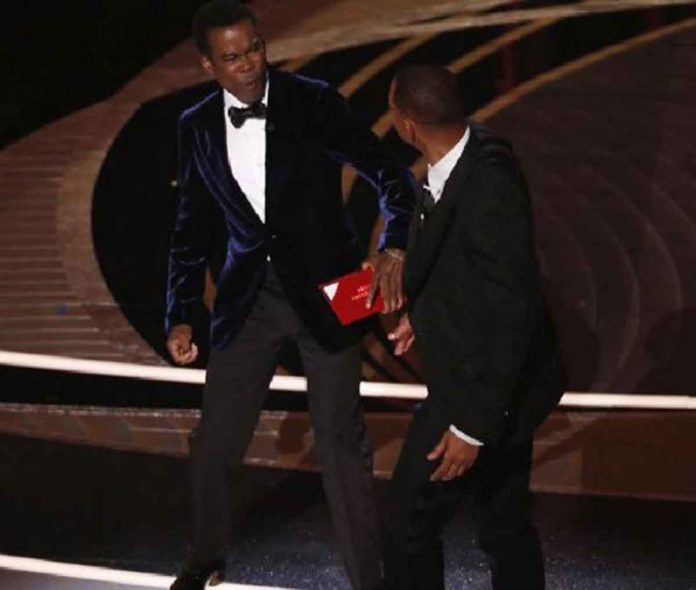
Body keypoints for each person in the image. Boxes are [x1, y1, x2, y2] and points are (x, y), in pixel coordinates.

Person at [165, 2, 415, 589]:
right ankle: (204, 560)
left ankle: (369, 581)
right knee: (216, 444)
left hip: (340, 287)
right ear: (209, 65)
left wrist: (395, 246)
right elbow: (190, 228)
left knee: (342, 444)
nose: (249, 65)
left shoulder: (314, 99)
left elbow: (389, 173)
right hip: (247, 297)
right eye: (232, 57)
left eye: (254, 49)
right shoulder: (196, 125)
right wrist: (180, 314)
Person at [383, 65, 566, 590]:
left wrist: (472, 429)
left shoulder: (488, 186)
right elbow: (468, 269)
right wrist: (425, 315)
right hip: (492, 377)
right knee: (503, 523)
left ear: (408, 125)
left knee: (407, 523)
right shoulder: (465, 154)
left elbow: (514, 313)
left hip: (482, 389)